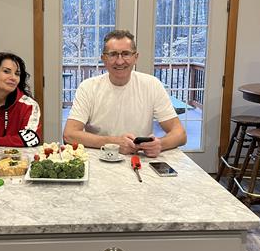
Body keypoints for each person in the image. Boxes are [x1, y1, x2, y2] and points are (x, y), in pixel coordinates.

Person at [63, 30, 186, 158]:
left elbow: (180, 134)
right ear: (104, 59)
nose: (120, 61)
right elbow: (69, 134)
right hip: (100, 160)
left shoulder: (152, 85)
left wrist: (160, 144)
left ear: (135, 57)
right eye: (113, 54)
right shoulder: (88, 87)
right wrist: (113, 143)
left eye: (126, 54)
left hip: (139, 159)